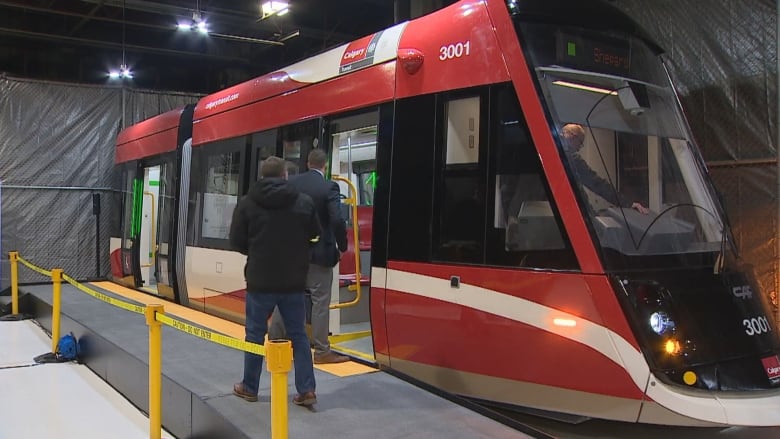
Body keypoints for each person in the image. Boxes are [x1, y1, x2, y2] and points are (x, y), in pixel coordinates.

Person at [229, 155, 321, 406]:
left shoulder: (248, 204)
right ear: (285, 175)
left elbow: (236, 241)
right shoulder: (303, 202)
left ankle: (249, 387)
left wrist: (257, 250)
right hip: (293, 282)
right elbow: (315, 235)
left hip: (260, 281)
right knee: (299, 335)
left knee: (255, 334)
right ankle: (307, 389)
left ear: (262, 176)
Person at [269, 148, 349, 364]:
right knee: (320, 301)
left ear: (307, 163)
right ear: (325, 165)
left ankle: (275, 340)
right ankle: (322, 351)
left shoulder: (291, 184)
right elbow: (337, 220)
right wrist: (343, 246)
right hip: (320, 257)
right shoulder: (329, 187)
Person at [561, 123, 649, 214]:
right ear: (573, 136)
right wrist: (627, 203)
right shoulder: (570, 158)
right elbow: (596, 183)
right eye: (580, 143)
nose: (579, 149)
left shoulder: (552, 147)